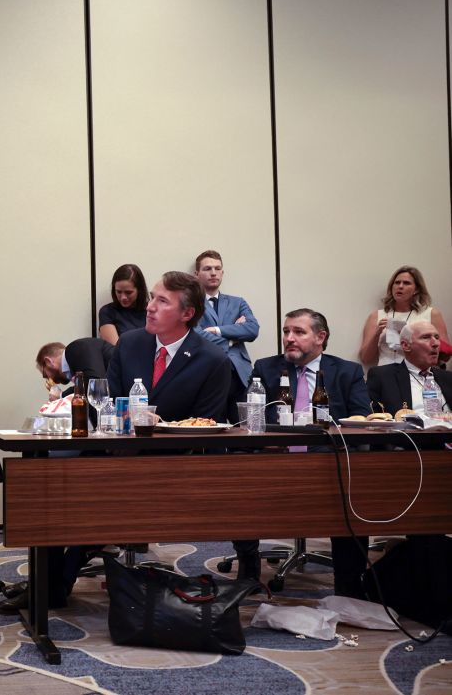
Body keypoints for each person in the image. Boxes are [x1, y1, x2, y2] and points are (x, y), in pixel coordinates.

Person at [241, 308, 370, 595]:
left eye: (299, 332)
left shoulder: (346, 372)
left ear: (320, 337)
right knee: (241, 479)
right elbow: (252, 418)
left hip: (328, 461)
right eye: (286, 332)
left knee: (355, 491)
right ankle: (248, 574)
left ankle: (351, 588)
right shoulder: (266, 368)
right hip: (275, 460)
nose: (289, 338)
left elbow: (361, 419)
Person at [0, 338, 116, 615]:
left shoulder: (79, 348)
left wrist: (63, 398)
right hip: (106, 448)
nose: (49, 379)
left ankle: (49, 588)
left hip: (115, 453)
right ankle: (48, 586)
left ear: (49, 363)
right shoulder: (83, 369)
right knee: (49, 491)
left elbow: (98, 393)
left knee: (50, 498)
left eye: (45, 374)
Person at [105, 271, 232, 423]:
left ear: (187, 314)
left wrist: (157, 424)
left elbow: (203, 426)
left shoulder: (213, 360)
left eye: (163, 301)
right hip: (124, 443)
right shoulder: (128, 343)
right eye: (152, 298)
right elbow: (109, 404)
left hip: (182, 446)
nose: (150, 307)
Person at [192, 250, 259, 413]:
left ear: (222, 272)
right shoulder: (191, 304)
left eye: (217, 268)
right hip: (207, 373)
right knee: (212, 426)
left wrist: (216, 330)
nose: (213, 273)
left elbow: (252, 329)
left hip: (240, 375)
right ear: (196, 274)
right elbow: (195, 335)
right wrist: (233, 338)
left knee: (245, 428)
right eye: (207, 269)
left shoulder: (238, 302)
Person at [359, 266, 448, 368]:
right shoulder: (377, 316)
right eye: (397, 283)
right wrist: (377, 334)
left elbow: (445, 356)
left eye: (406, 283)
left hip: (419, 375)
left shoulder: (431, 314)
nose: (400, 286)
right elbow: (365, 359)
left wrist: (419, 338)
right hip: (385, 375)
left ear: (416, 289)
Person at [367, 320, 451, 415]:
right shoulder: (382, 376)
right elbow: (373, 417)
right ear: (406, 345)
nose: (435, 343)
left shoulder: (448, 378)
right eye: (426, 337)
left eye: (436, 337)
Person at [98, 264, 148, 345]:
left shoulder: (151, 310)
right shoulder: (107, 312)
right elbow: (115, 349)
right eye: (119, 292)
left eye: (128, 292)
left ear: (139, 290)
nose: (123, 297)